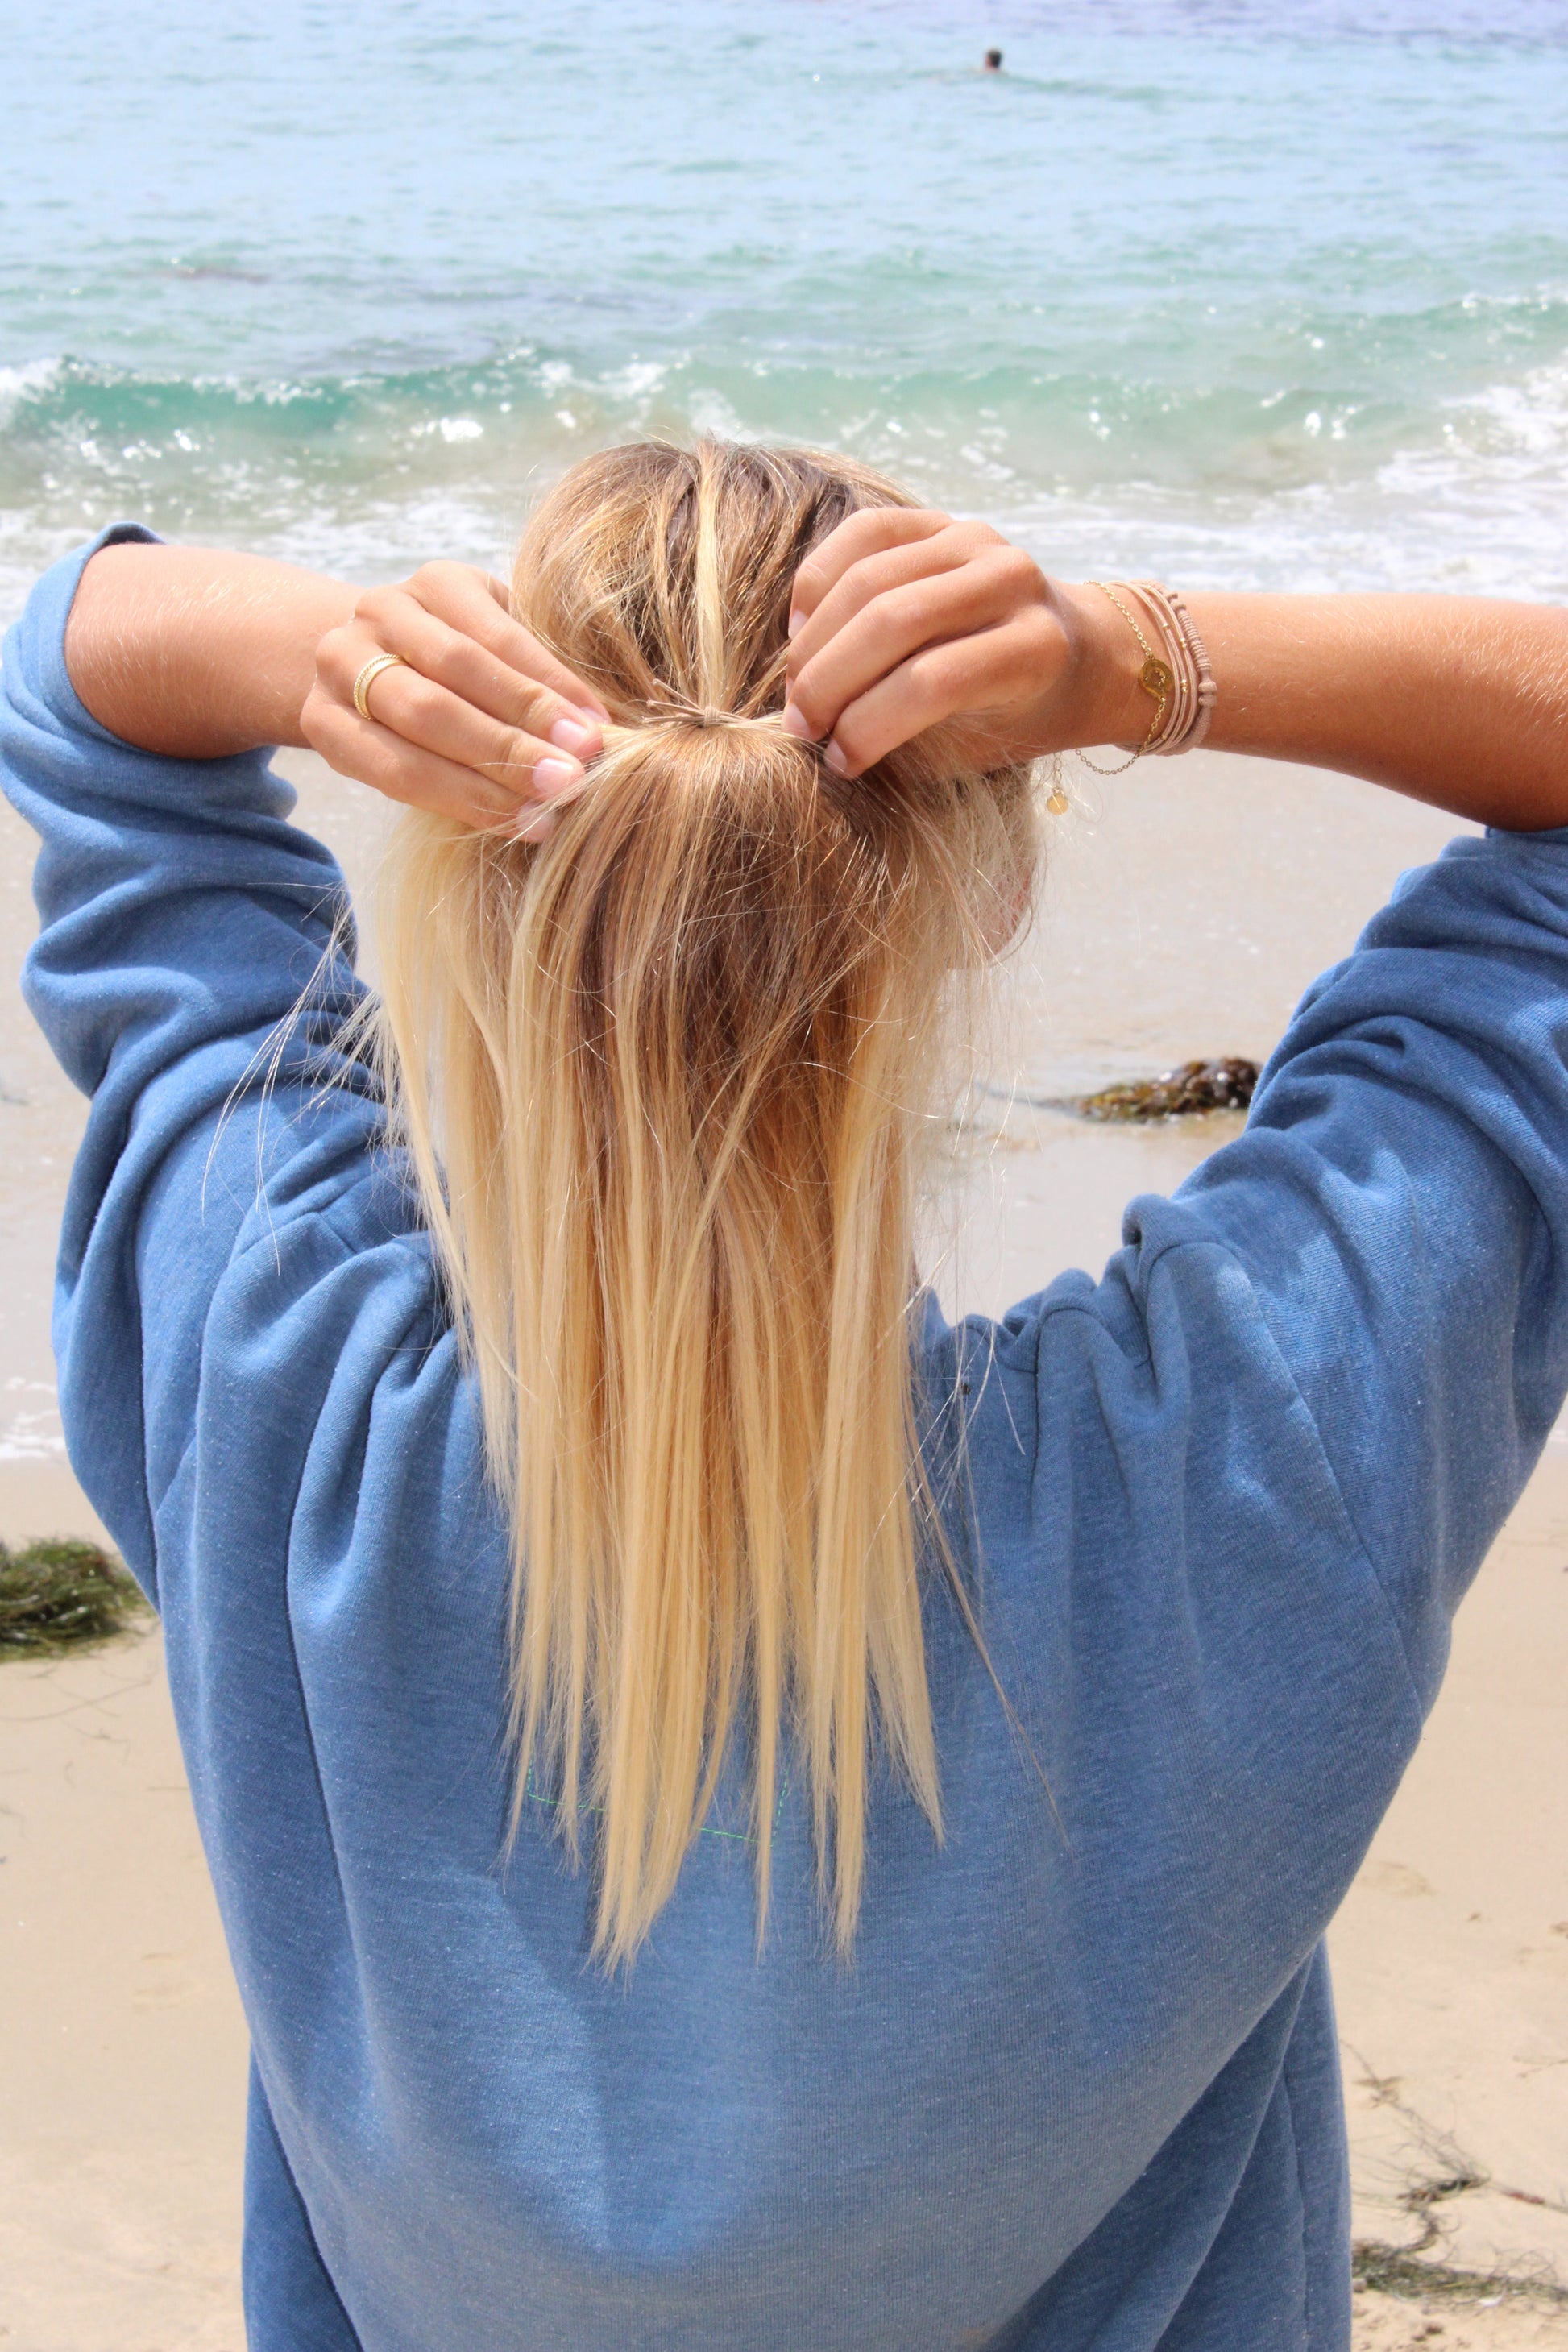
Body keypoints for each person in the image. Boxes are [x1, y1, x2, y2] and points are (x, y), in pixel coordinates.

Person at [2, 437, 1566, 2352]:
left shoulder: (282, 1386)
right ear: (987, 888)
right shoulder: (1237, 1450)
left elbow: (77, 679)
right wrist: (1131, 659)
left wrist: (343, 645)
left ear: (472, 863)